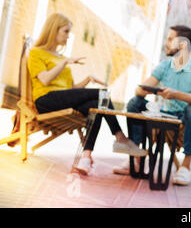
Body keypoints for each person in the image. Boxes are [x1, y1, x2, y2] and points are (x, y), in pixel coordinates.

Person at [28, 12, 147, 175]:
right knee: (102, 95)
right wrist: (64, 62)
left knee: (95, 107)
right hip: (46, 100)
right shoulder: (36, 53)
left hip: (62, 98)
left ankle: (86, 157)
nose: (68, 36)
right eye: (66, 31)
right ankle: (120, 137)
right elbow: (45, 80)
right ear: (53, 30)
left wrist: (88, 79)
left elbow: (71, 89)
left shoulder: (62, 57)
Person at [114, 25, 191, 186]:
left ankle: (185, 167)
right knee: (134, 103)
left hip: (188, 120)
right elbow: (139, 90)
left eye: (170, 39)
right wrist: (152, 90)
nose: (166, 44)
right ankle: (136, 158)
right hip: (167, 115)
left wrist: (175, 94)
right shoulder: (165, 66)